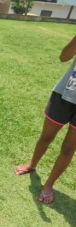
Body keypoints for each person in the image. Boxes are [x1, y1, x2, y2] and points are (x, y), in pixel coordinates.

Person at [15, 35, 76, 204]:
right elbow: (63, 57)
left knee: (69, 148)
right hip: (64, 95)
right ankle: (32, 164)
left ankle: (49, 184)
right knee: (46, 137)